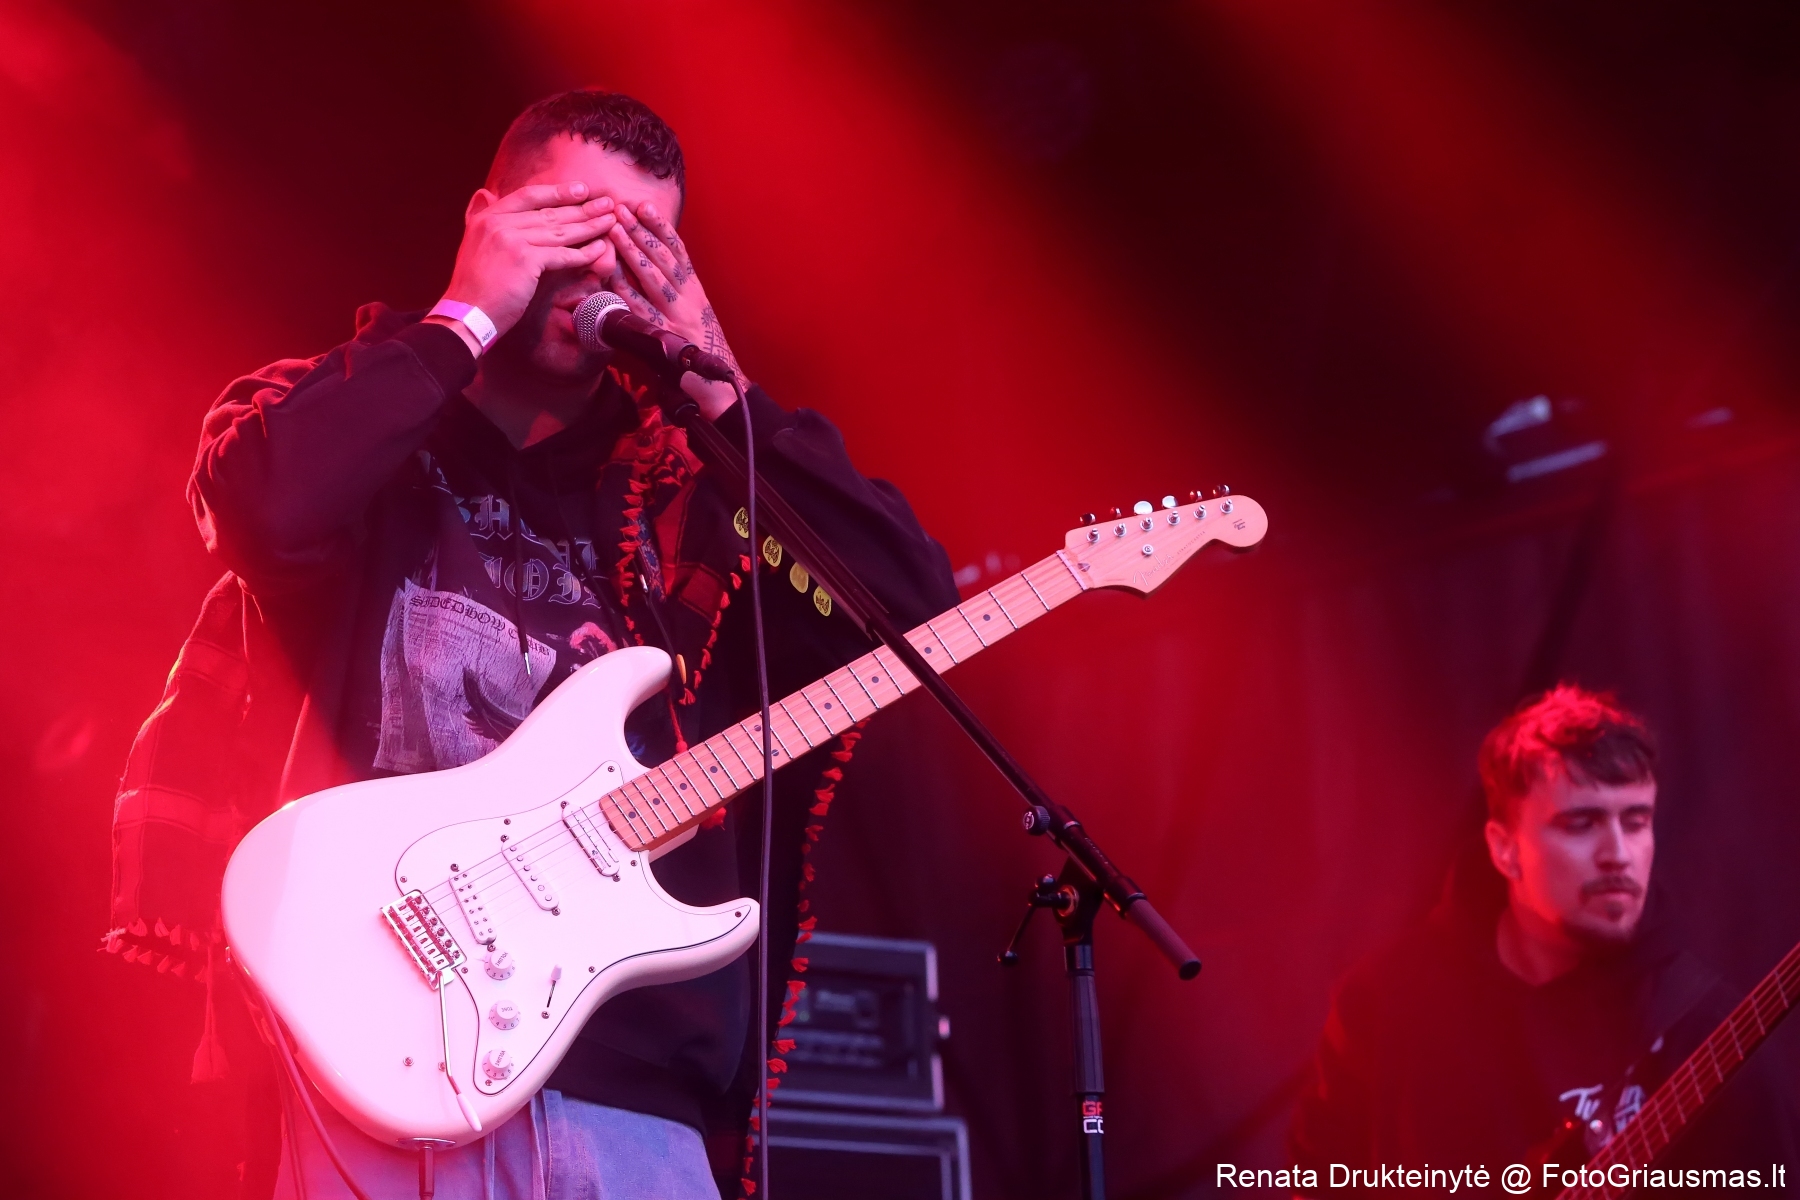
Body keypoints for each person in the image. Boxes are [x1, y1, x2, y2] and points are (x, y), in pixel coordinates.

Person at [105, 89, 958, 1199]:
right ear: (486, 218)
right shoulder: (341, 415)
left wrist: (717, 377)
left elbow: (904, 605)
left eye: (639, 242)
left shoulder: (691, 500)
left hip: (631, 1101)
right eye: (569, 221)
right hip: (375, 1059)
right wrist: (463, 319)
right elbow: (263, 505)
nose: (598, 266)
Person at [1288, 685, 1797, 1192]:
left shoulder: (1702, 1024)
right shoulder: (1384, 1007)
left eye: (1636, 821)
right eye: (1581, 824)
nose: (1618, 854)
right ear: (1505, 849)